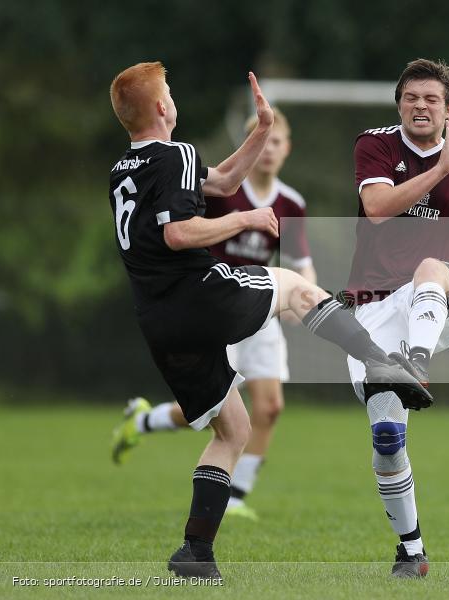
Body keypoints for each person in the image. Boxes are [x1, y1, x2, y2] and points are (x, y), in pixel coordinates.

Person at [108, 62, 431, 580]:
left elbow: (226, 179)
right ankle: (383, 363)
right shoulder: (176, 153)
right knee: (294, 287)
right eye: (169, 91)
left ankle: (195, 552)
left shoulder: (125, 168)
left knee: (233, 429)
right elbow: (178, 234)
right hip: (197, 296)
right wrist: (247, 218)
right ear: (163, 108)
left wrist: (260, 130)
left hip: (159, 321)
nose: (173, 98)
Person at [348, 58, 449, 577]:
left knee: (428, 267)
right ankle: (411, 550)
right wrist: (438, 171)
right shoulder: (373, 144)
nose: (421, 106)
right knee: (387, 442)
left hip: (442, 296)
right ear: (400, 104)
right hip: (373, 310)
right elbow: (377, 207)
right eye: (412, 98)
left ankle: (416, 363)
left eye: (432, 99)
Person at [111, 108, 315, 521]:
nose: (270, 150)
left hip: (262, 301)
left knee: (270, 407)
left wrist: (305, 293)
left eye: (277, 142)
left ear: (288, 148)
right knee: (209, 412)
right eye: (264, 141)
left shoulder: (292, 203)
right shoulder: (223, 193)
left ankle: (236, 495)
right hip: (218, 304)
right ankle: (146, 420)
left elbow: (299, 260)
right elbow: (184, 230)